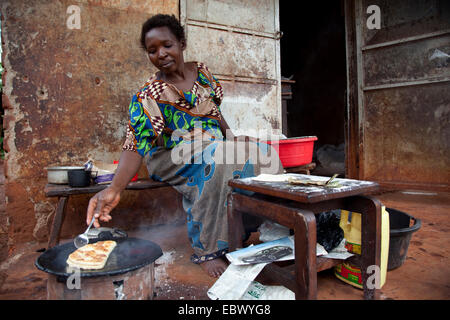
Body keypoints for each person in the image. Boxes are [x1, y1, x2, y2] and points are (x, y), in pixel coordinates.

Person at [86, 14, 283, 278]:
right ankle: (209, 249)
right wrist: (114, 189)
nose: (161, 54)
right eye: (152, 50)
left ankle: (266, 227)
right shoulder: (149, 95)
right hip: (171, 154)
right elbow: (135, 144)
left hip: (211, 144)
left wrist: (233, 137)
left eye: (167, 45)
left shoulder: (202, 73)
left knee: (265, 154)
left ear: (181, 43)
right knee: (218, 160)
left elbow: (215, 112)